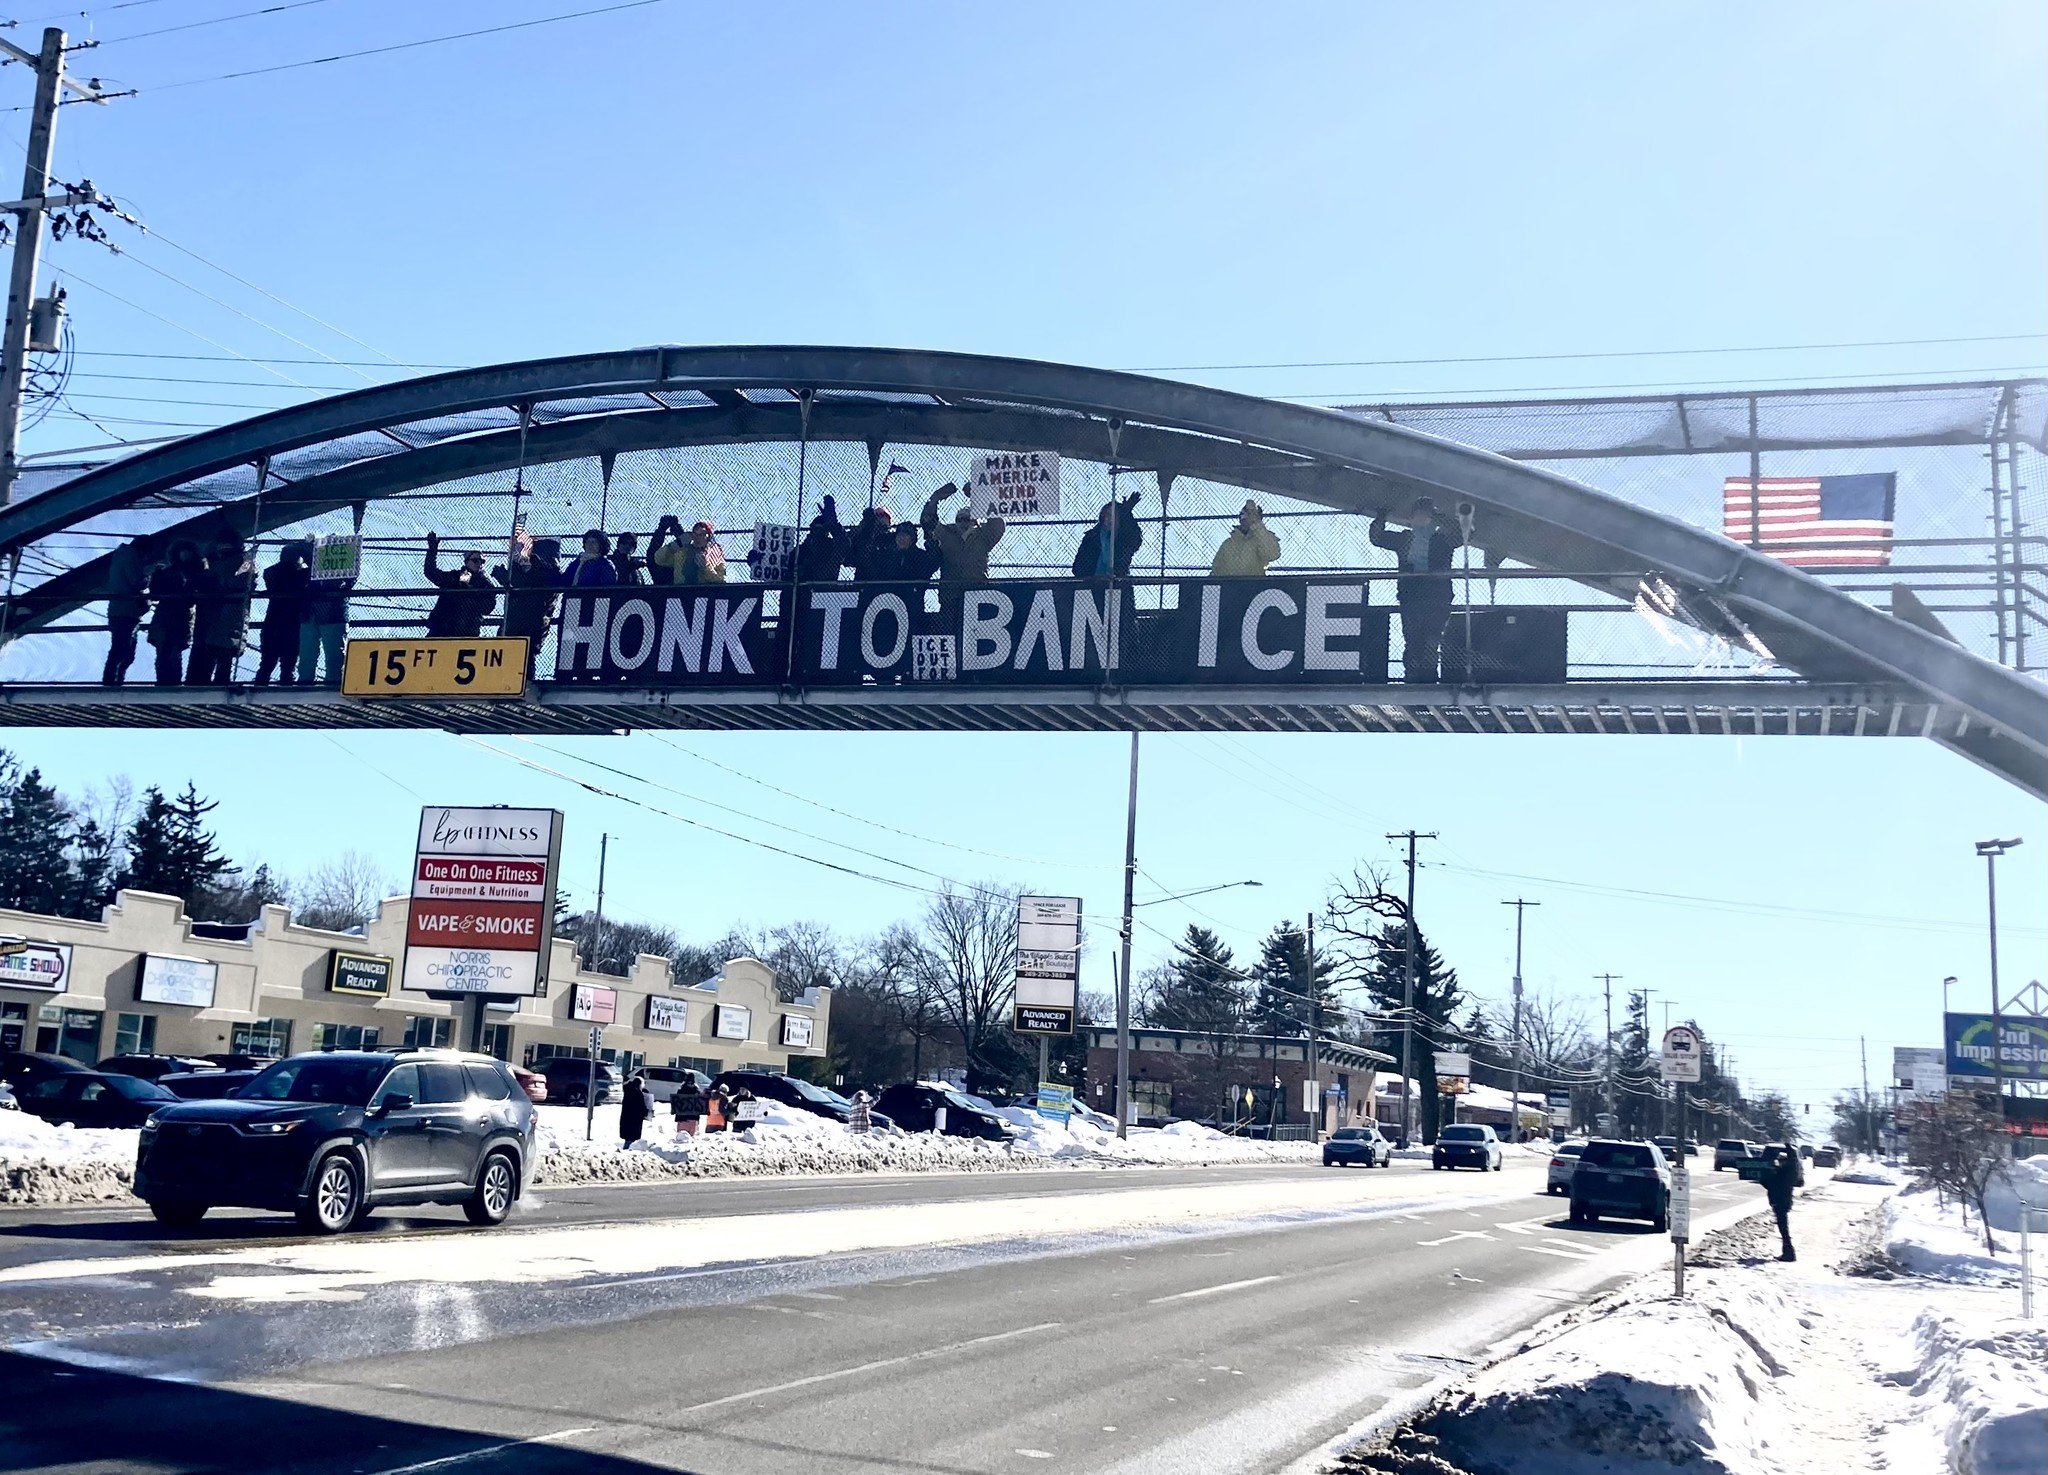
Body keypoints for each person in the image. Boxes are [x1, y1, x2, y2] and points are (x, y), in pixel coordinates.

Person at [1370, 496, 1462, 683]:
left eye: (1426, 516)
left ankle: (1428, 677)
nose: (1421, 520)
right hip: (1412, 598)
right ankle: (1412, 676)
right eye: (1418, 515)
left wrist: (1444, 519)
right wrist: (1381, 516)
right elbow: (1377, 538)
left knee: (1431, 640)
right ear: (1411, 519)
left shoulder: (1442, 540)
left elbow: (1462, 536)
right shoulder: (1405, 538)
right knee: (1413, 640)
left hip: (1436, 599)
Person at [494, 529, 566, 674]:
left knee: (526, 659)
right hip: (516, 621)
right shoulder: (534, 570)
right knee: (508, 658)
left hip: (532, 624)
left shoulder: (549, 573)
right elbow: (521, 584)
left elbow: (530, 584)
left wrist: (514, 572)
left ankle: (526, 682)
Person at [188, 537, 254, 684]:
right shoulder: (216, 562)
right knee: (216, 651)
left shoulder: (244, 561)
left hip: (229, 611)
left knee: (222, 651)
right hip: (221, 612)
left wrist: (218, 582)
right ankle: (210, 684)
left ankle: (215, 684)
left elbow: (244, 581)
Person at [252, 541, 311, 686]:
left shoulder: (271, 572)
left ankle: (258, 688)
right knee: (288, 664)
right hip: (293, 622)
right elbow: (312, 571)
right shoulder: (300, 575)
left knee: (266, 663)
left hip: (272, 621)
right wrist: (307, 553)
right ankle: (286, 686)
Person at [920, 483, 1005, 583]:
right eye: (959, 519)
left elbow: (997, 523)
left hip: (977, 588)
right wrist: (934, 500)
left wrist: (980, 497)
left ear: (974, 521)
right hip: (951, 589)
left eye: (966, 519)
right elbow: (928, 522)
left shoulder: (983, 535)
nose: (962, 522)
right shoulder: (946, 534)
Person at [145, 540, 203, 686]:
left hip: (179, 616)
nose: (184, 554)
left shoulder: (194, 573)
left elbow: (193, 597)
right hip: (168, 615)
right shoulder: (170, 572)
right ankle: (165, 683)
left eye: (187, 551)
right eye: (182, 551)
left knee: (173, 652)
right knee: (164, 652)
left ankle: (172, 684)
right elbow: (155, 593)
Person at [422, 531, 497, 637]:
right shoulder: (454, 577)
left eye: (482, 561)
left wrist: (471, 592)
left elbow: (488, 608)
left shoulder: (485, 584)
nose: (479, 564)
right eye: (475, 560)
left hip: (466, 633)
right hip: (442, 629)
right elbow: (431, 573)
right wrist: (432, 549)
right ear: (467, 562)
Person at [102, 536, 153, 686]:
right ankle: (113, 683)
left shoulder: (121, 556)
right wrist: (149, 577)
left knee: (122, 649)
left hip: (121, 610)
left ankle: (112, 682)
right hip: (127, 611)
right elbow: (137, 582)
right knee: (123, 650)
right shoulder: (132, 558)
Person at [297, 556, 352, 687]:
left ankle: (327, 684)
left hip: (326, 613)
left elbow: (350, 581)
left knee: (330, 654)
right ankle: (320, 683)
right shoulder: (311, 569)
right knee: (312, 653)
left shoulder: (341, 570)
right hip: (321, 612)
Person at [1070, 488, 1144, 579]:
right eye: (1108, 515)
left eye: (1114, 515)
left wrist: (1127, 513)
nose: (1110, 519)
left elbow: (1134, 540)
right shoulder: (1092, 537)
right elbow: (1078, 566)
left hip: (1117, 581)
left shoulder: (1123, 539)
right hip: (1092, 581)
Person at [1209, 500, 1282, 578]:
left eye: (1251, 515)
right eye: (1244, 514)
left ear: (1258, 518)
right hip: (1228, 585)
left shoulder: (1262, 540)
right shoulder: (1227, 544)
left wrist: (1256, 525)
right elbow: (1215, 570)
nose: (1246, 518)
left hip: (1253, 584)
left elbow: (1273, 554)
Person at [651, 518, 729, 586]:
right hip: (680, 591)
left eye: (702, 534)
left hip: (703, 593)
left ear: (709, 537)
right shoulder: (682, 552)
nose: (697, 537)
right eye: (695, 534)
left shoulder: (715, 554)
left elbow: (721, 580)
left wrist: (705, 567)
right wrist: (678, 542)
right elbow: (659, 559)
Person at [1763, 1138, 1804, 1261]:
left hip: (1781, 1201)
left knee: (1783, 1228)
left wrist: (1788, 1148)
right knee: (1783, 1228)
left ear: (1785, 1161)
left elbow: (1773, 1184)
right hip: (1781, 1201)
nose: (1779, 1163)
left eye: (1781, 1161)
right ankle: (1787, 1251)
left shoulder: (1786, 1173)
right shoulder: (1785, 1172)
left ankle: (1789, 1253)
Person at [794, 496, 850, 584]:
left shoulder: (830, 547)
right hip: (817, 586)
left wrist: (832, 524)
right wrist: (833, 524)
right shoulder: (803, 549)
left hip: (822, 586)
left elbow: (844, 544)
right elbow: (844, 543)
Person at [846, 506, 898, 581]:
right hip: (863, 571)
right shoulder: (863, 532)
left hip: (880, 573)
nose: (879, 518)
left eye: (883, 515)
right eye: (877, 515)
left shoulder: (890, 538)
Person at [618, 1070, 653, 1148]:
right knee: (631, 1136)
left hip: (626, 1118)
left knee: (628, 1136)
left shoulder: (628, 1091)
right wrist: (646, 1112)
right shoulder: (638, 1094)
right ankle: (627, 1148)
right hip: (635, 1118)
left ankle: (626, 1146)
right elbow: (641, 1106)